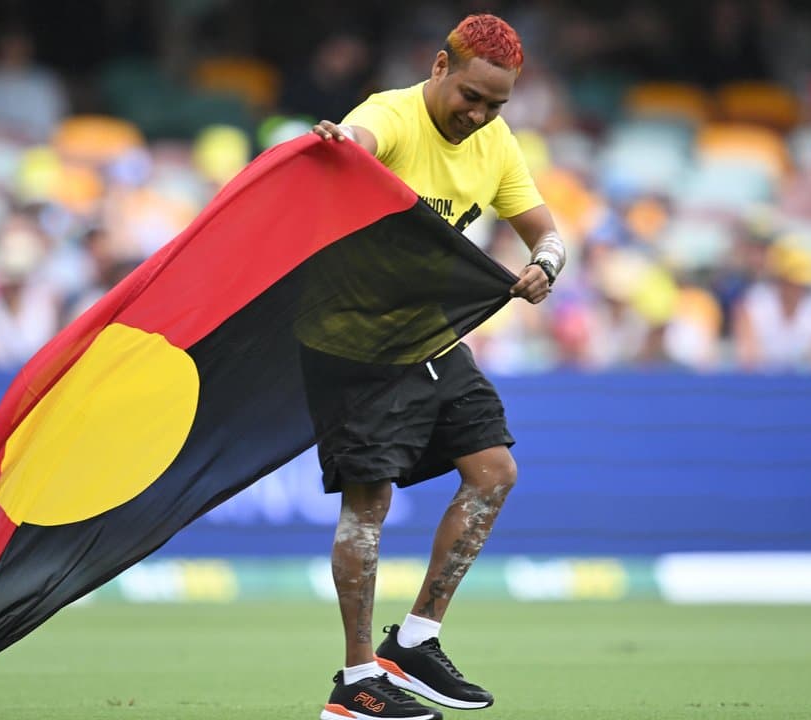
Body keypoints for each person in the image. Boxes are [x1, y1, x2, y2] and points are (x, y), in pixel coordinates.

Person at [309, 13, 563, 720]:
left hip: (428, 337)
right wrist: (340, 145)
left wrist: (545, 264)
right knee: (369, 506)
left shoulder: (496, 142)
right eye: (471, 97)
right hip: (350, 340)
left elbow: (545, 231)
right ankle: (357, 680)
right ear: (440, 67)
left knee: (494, 473)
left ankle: (414, 642)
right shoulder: (389, 114)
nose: (478, 115)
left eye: (496, 105)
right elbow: (357, 144)